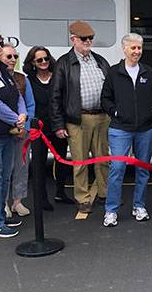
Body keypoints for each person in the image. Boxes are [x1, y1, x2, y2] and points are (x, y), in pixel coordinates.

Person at [101, 33, 152, 227]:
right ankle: (111, 210)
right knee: (117, 169)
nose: (137, 51)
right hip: (120, 128)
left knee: (143, 169)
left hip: (146, 128)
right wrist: (116, 111)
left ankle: (139, 206)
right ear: (124, 49)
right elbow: (105, 98)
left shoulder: (148, 72)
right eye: (133, 48)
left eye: (139, 48)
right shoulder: (113, 72)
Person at [50, 21, 110, 213]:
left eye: (90, 38)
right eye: (84, 38)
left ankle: (105, 193)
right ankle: (83, 197)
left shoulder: (100, 60)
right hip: (78, 119)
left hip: (102, 117)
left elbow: (110, 89)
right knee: (80, 161)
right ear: (73, 39)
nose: (88, 41)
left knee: (103, 159)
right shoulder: (64, 63)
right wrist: (59, 124)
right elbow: (55, 95)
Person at [23, 46, 75, 209]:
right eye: (39, 60)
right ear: (33, 63)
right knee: (39, 165)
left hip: (57, 126)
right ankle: (42, 198)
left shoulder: (58, 78)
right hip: (39, 130)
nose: (44, 62)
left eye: (46, 58)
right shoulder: (28, 81)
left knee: (62, 161)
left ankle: (60, 193)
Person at [0, 26, 26, 238]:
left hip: (8, 134)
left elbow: (17, 96)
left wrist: (22, 115)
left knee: (3, 179)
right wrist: (15, 118)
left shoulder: (2, 70)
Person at [1, 44, 35, 216]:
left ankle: (17, 202)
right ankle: (3, 203)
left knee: (22, 167)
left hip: (22, 130)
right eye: (9, 57)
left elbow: (30, 104)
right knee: (3, 169)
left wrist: (25, 127)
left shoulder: (23, 79)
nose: (13, 60)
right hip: (2, 131)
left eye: (15, 57)